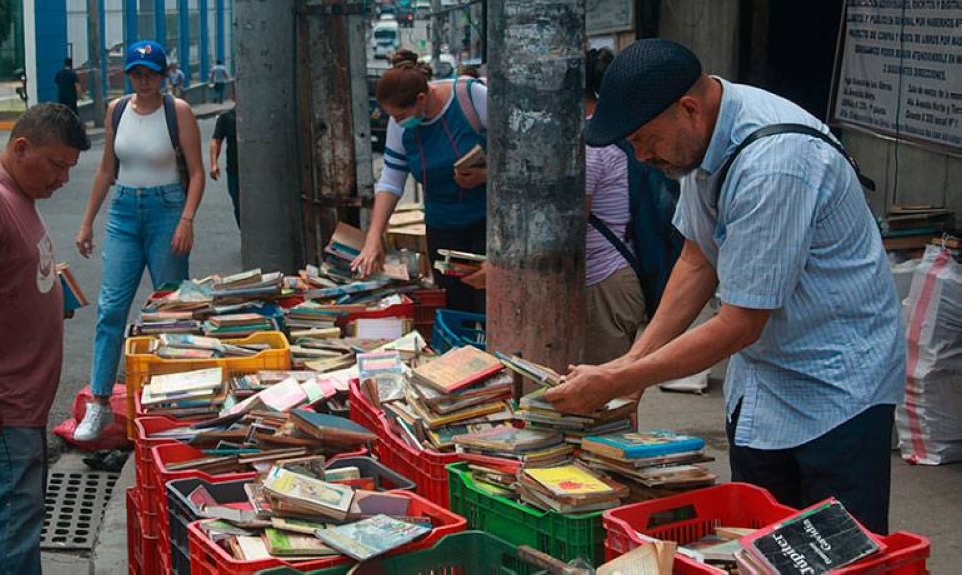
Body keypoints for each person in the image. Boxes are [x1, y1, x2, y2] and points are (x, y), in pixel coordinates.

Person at [546, 39, 905, 534]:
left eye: (645, 140)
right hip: (766, 383)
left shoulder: (774, 164)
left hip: (837, 385)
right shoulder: (698, 143)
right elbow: (697, 260)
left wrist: (620, 380)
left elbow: (740, 323)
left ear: (688, 109)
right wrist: (631, 366)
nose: (642, 156)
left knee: (835, 549)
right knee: (759, 542)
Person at [0, 103, 90, 573]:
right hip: (1, 399)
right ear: (21, 147)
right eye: (57, 166)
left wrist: (50, 294)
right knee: (15, 515)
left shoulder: (18, 196)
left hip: (24, 398)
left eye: (69, 169)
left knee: (24, 513)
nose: (62, 180)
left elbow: (1, 277)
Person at [73, 40, 205, 441]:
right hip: (124, 212)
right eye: (136, 73)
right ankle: (99, 404)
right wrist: (87, 222)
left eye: (150, 74)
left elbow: (197, 173)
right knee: (111, 310)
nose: (143, 81)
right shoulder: (117, 110)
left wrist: (186, 219)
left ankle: (177, 402)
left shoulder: (177, 111)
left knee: (170, 311)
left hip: (168, 210)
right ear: (128, 75)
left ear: (164, 76)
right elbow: (106, 170)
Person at [351, 49, 488, 312]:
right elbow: (391, 180)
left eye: (401, 116)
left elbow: (520, 151)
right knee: (454, 305)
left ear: (422, 99)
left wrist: (487, 173)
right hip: (442, 228)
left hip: (488, 224)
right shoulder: (399, 125)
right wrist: (374, 237)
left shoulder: (470, 97)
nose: (397, 122)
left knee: (491, 303)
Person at [582, 47, 646, 428]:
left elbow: (575, 219)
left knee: (609, 400)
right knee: (608, 396)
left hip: (606, 281)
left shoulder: (593, 144)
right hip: (613, 275)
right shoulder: (611, 135)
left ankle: (623, 476)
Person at [210, 105, 240, 228]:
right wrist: (213, 163)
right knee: (238, 205)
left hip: (258, 172)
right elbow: (216, 141)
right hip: (234, 171)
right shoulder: (226, 117)